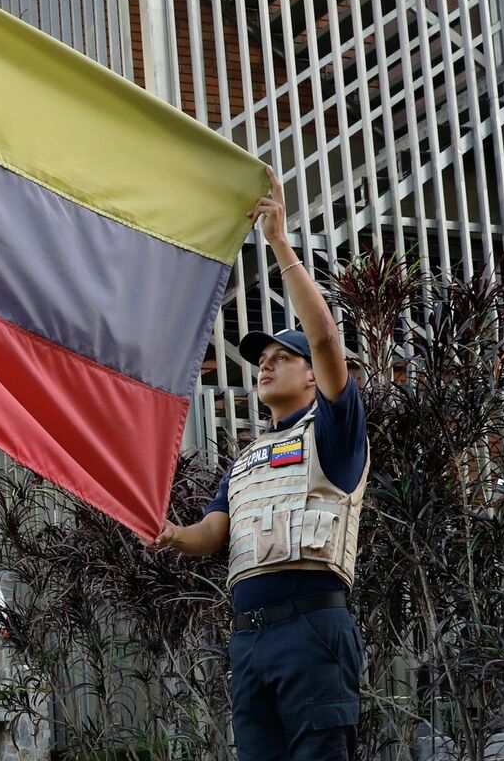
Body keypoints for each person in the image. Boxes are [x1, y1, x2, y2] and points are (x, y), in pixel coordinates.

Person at [154, 170, 370, 761]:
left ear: (311, 375)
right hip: (249, 641)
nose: (266, 366)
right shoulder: (246, 458)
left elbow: (326, 340)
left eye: (282, 357)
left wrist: (279, 244)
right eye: (261, 360)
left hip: (313, 631)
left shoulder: (335, 430)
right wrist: (173, 534)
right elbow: (213, 533)